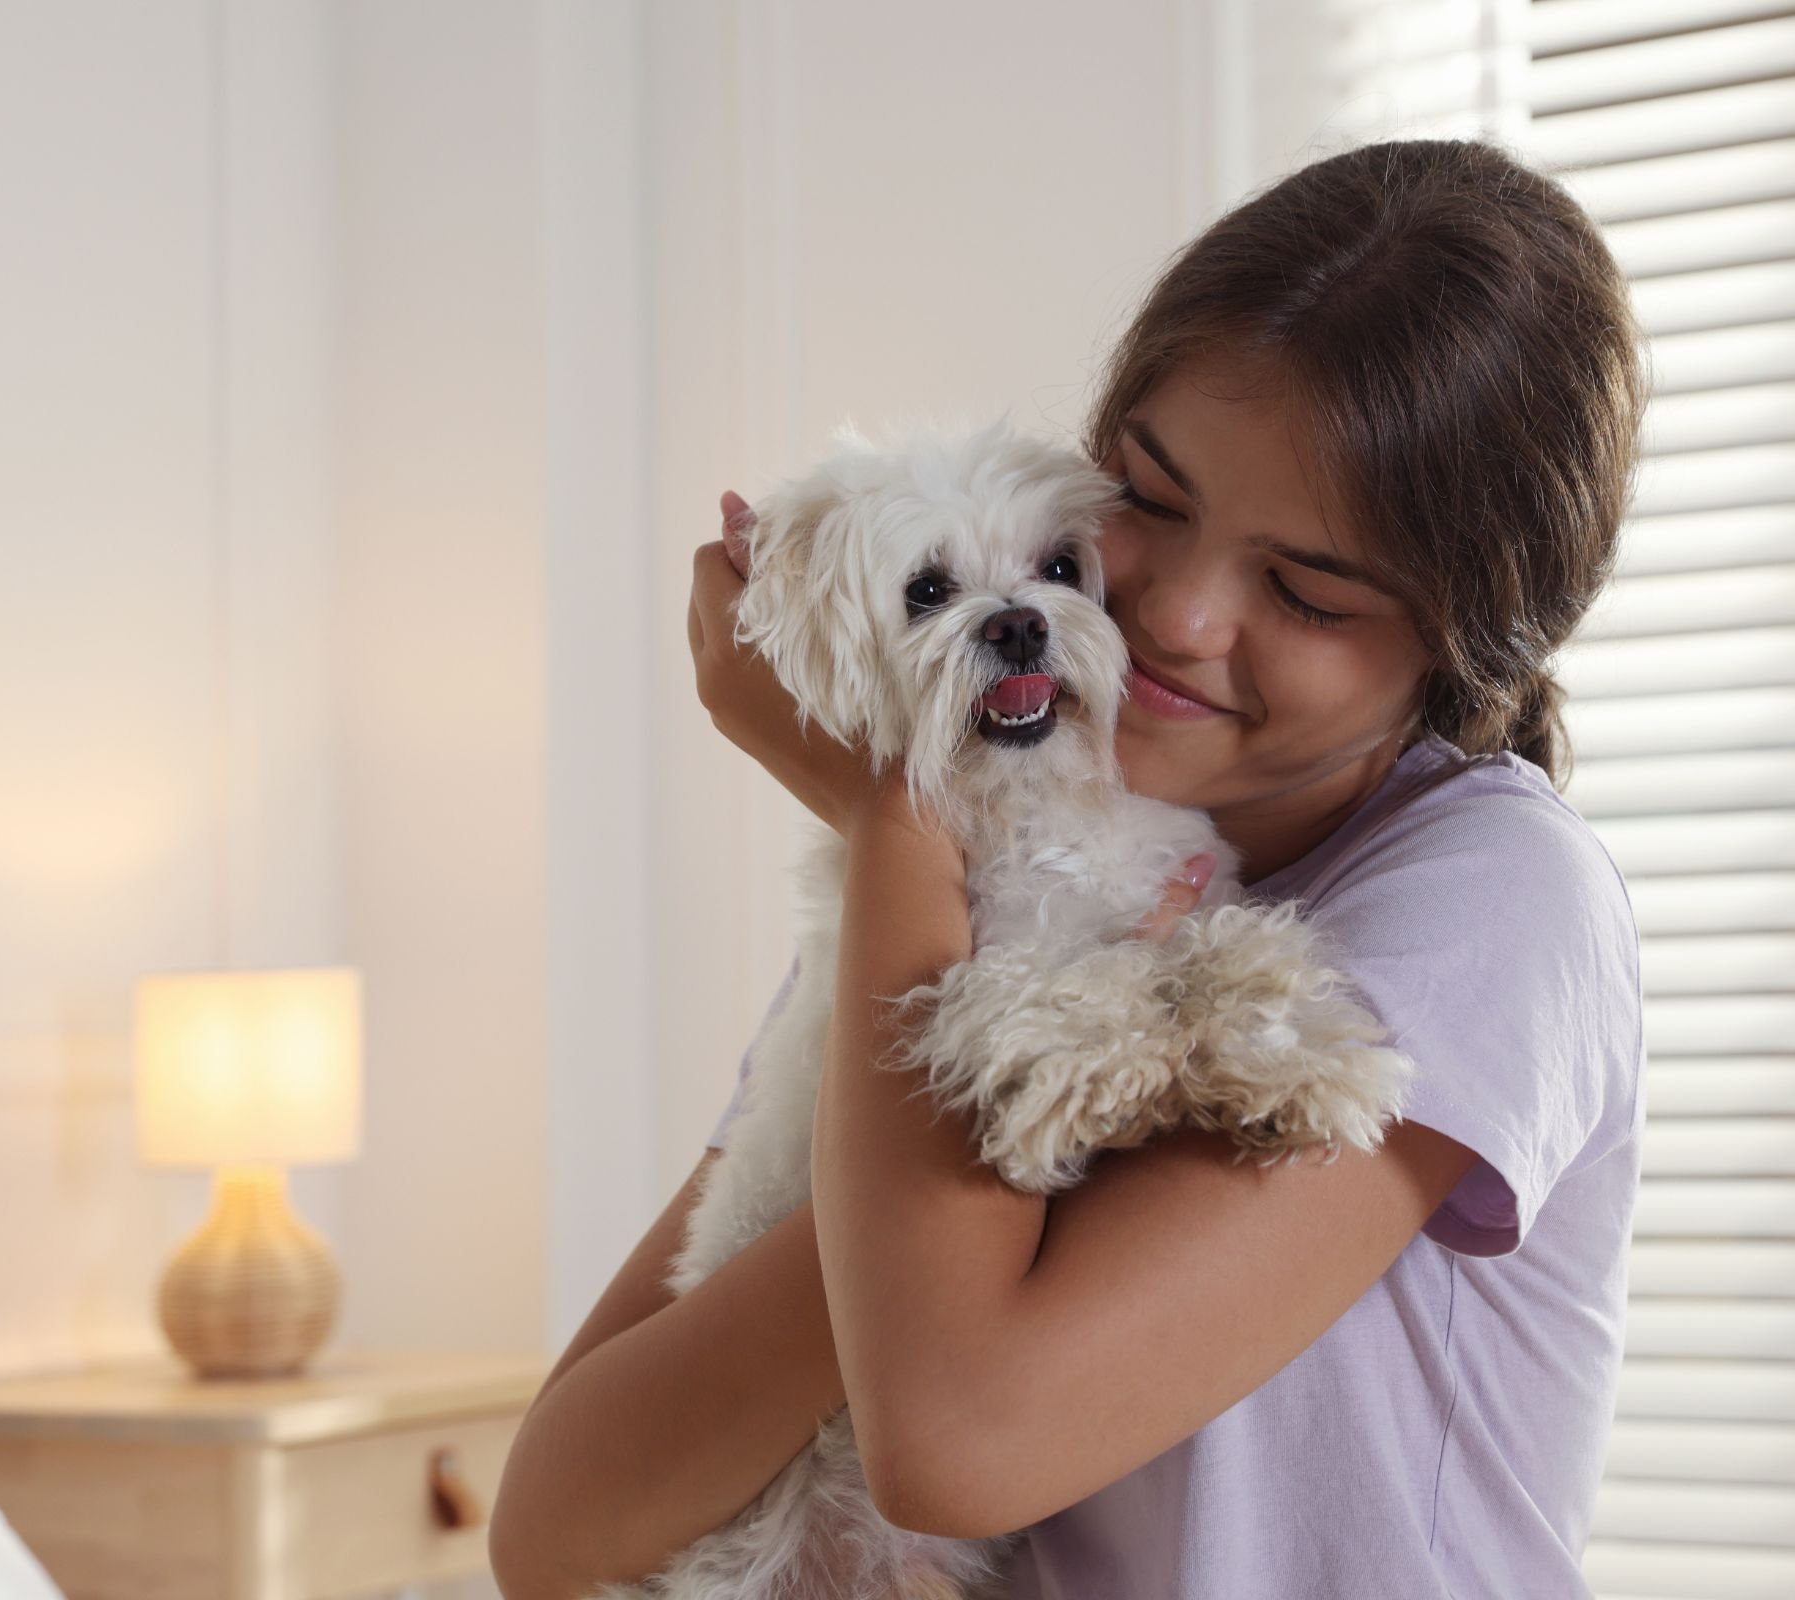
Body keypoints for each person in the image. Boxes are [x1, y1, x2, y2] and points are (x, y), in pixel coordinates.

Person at [492, 136, 1650, 1600]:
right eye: (1148, 501)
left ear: (1467, 645)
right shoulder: (969, 836)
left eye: (1302, 588)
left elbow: (959, 1435)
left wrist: (897, 816)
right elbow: (552, 1533)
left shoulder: (1491, 898)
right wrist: (917, 833)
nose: (1175, 611)